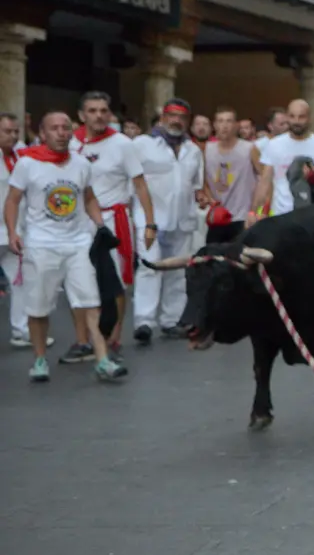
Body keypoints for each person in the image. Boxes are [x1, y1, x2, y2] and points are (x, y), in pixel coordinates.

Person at [5, 111, 123, 382]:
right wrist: (13, 232)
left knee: (91, 303)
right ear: (42, 134)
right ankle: (39, 360)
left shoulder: (81, 163)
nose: (61, 133)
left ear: (72, 132)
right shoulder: (27, 164)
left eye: (65, 128)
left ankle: (103, 359)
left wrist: (100, 224)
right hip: (41, 245)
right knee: (38, 308)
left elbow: (89, 197)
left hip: (77, 243)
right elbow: (12, 200)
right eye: (54, 128)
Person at [73, 92, 155, 358]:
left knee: (117, 282)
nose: (99, 115)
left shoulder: (122, 144)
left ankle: (115, 336)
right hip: (78, 220)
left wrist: (150, 223)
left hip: (113, 218)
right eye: (92, 110)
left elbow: (140, 184)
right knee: (79, 280)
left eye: (103, 110)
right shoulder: (70, 143)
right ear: (81, 115)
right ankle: (83, 339)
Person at [129, 99, 204, 344]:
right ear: (162, 118)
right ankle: (144, 321)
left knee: (178, 271)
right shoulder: (142, 144)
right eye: (172, 116)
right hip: (150, 219)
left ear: (188, 121)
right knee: (149, 268)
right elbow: (131, 180)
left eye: (182, 117)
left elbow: (196, 186)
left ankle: (172, 320)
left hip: (182, 219)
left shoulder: (193, 150)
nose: (176, 121)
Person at [253, 99, 314, 220]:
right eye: (292, 116)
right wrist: (254, 212)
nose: (296, 121)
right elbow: (265, 183)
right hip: (281, 214)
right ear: (287, 118)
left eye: (301, 117)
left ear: (309, 118)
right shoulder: (274, 145)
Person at [202, 107, 263, 244]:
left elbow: (264, 179)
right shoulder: (207, 149)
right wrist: (211, 201)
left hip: (242, 217)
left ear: (236, 125)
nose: (224, 126)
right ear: (214, 125)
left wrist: (254, 210)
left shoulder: (249, 148)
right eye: (220, 121)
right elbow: (203, 180)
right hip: (217, 217)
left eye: (229, 121)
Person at [1, 111, 28, 347]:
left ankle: (21, 330)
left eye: (15, 131)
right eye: (7, 131)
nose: (12, 136)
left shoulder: (21, 157)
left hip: (14, 231)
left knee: (21, 281)